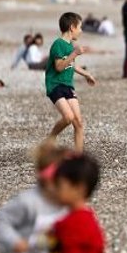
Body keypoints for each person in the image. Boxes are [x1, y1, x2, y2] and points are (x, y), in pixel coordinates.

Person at [45, 12, 97, 152]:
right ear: (72, 27)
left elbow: (70, 65)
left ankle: (78, 157)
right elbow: (59, 66)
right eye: (79, 27)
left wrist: (86, 74)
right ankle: (51, 138)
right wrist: (74, 53)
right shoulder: (58, 44)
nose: (81, 31)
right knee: (68, 117)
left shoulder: (69, 45)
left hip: (67, 85)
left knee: (78, 122)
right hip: (55, 84)